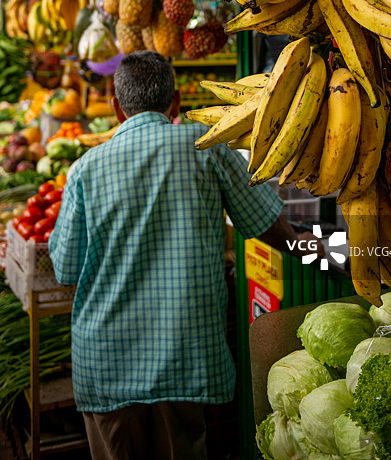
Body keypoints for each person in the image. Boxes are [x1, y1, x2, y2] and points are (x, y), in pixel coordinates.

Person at [49, 50, 320, 460]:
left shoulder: (85, 169)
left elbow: (66, 269)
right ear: (175, 103)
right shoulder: (206, 146)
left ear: (116, 107)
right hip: (182, 355)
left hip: (106, 361)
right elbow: (266, 223)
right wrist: (320, 253)